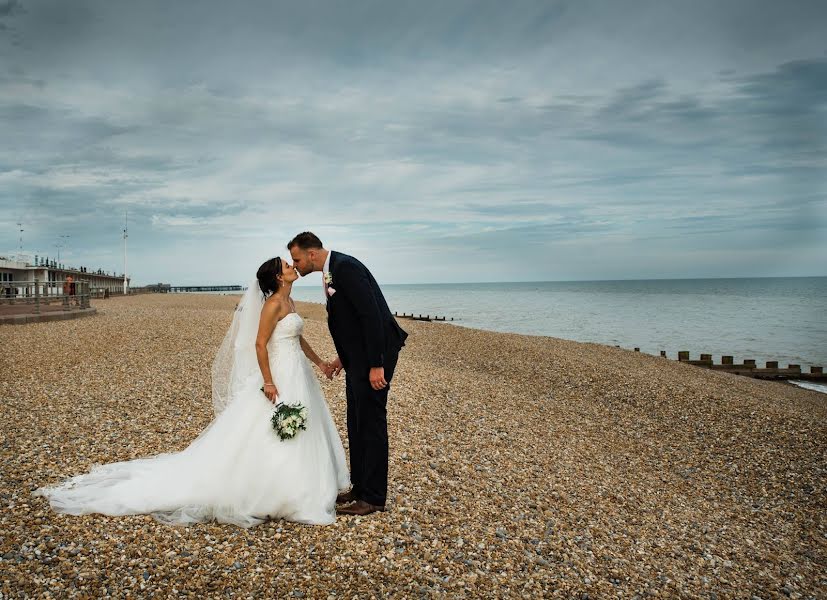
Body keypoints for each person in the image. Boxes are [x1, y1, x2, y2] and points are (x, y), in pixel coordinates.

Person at [34, 257, 349, 527]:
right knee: (272, 429)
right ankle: (276, 490)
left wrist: (320, 362)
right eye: (286, 265)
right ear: (278, 277)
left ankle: (299, 484)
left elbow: (295, 338)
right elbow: (258, 344)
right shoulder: (273, 304)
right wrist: (268, 382)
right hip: (279, 375)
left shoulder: (290, 302)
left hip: (298, 372)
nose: (292, 266)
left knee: (303, 428)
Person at [288, 232, 407, 516]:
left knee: (371, 422)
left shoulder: (346, 268)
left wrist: (377, 363)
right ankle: (360, 487)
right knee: (356, 419)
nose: (295, 265)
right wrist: (343, 358)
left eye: (297, 259)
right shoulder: (331, 271)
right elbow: (350, 322)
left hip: (374, 357)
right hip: (358, 357)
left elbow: (371, 315)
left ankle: (374, 497)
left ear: (312, 254)